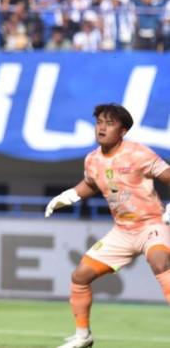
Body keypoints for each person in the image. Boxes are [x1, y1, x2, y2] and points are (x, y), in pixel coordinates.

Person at [46, 104, 170, 348]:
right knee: (80, 276)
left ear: (123, 131)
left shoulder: (138, 153)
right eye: (99, 122)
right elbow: (90, 184)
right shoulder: (92, 159)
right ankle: (83, 337)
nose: (101, 128)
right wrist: (68, 196)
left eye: (109, 123)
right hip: (122, 231)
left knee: (160, 262)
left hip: (151, 225)